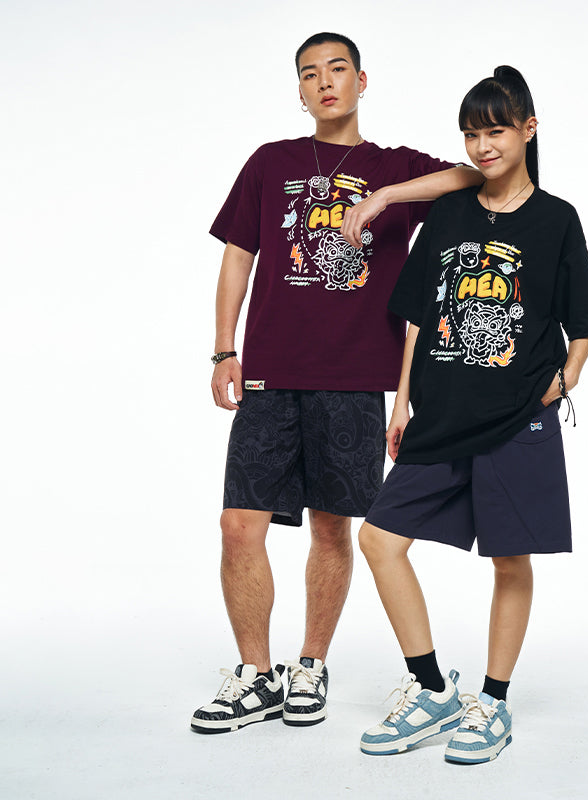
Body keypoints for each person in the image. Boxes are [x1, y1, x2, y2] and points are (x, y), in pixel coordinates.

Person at [190, 32, 482, 735]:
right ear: (299, 90)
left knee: (331, 528)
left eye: (337, 69)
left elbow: (474, 178)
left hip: (354, 378)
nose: (324, 82)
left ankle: (310, 665)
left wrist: (388, 196)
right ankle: (255, 676)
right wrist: (223, 350)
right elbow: (237, 258)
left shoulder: (393, 166)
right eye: (309, 74)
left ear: (361, 81)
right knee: (239, 526)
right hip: (269, 374)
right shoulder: (271, 162)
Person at [353, 65, 588, 763]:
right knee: (379, 540)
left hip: (518, 417)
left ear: (528, 129)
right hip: (440, 413)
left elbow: (583, 319)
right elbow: (416, 315)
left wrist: (566, 377)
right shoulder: (450, 212)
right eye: (471, 134)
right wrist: (401, 401)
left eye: (495, 130)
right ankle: (434, 690)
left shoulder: (557, 219)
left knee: (509, 558)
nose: (483, 146)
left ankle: (493, 703)